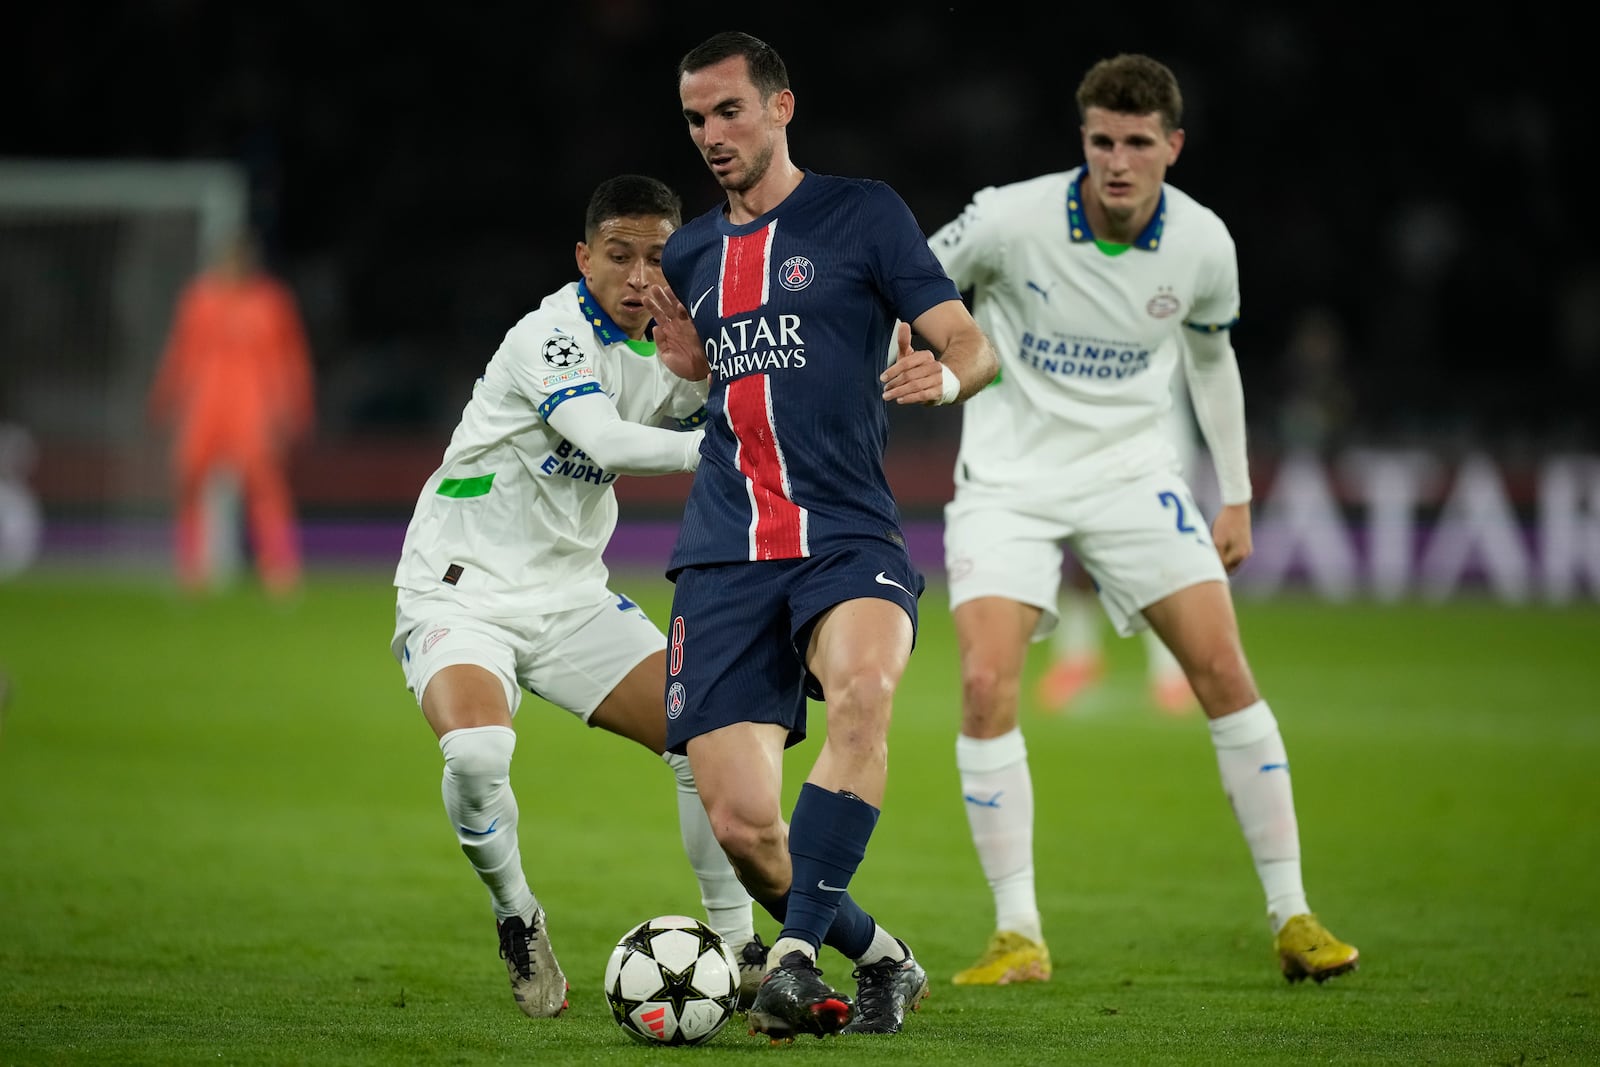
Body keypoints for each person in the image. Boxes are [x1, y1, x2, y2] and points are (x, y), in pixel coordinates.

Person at [929, 53, 1359, 988]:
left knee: (1222, 670)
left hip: (1132, 475)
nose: (1116, 161)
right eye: (1099, 141)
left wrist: (1236, 492)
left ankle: (1293, 913)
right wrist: (907, 346)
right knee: (983, 682)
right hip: (1009, 475)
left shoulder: (1203, 242)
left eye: (1135, 143)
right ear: (1081, 139)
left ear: (1172, 145)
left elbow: (1212, 361)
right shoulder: (1009, 216)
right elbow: (914, 280)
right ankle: (1018, 935)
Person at [642, 31, 998, 1040]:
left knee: (864, 692)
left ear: (780, 107)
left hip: (845, 531)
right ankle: (882, 956)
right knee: (745, 827)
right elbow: (729, 378)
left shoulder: (862, 213)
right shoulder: (693, 253)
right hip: (722, 549)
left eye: (729, 112)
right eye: (695, 120)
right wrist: (689, 365)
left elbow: (968, 339)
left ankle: (790, 957)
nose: (712, 135)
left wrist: (949, 372)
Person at [389, 174, 763, 1020]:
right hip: (460, 593)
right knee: (479, 754)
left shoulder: (675, 346)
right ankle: (518, 914)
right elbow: (603, 438)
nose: (638, 277)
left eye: (658, 259)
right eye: (620, 256)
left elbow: (755, 386)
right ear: (584, 256)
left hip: (569, 599)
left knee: (702, 738)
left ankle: (737, 944)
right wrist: (722, 447)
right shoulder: (548, 335)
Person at [147, 229, 314, 597]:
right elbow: (182, 351)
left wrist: (294, 405)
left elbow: (289, 358)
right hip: (206, 399)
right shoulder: (199, 298)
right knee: (189, 478)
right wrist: (165, 396)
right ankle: (191, 571)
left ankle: (279, 570)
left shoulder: (271, 302)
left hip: (252, 401)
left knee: (264, 483)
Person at [1036, 371, 1199, 715]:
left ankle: (1170, 670)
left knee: (1155, 555)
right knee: (1080, 546)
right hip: (1092, 433)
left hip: (1159, 433)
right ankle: (1078, 658)